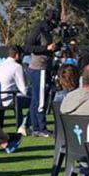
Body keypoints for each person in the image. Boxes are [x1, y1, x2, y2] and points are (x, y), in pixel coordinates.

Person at [24, 8, 60, 137]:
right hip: (39, 68)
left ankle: (34, 127)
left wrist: (56, 46)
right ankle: (41, 128)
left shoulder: (47, 31)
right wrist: (46, 48)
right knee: (40, 100)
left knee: (36, 99)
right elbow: (27, 47)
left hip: (44, 67)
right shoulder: (39, 29)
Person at [0, 45, 29, 134]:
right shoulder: (17, 66)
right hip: (7, 99)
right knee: (34, 101)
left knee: (18, 97)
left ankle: (18, 124)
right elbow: (24, 90)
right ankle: (23, 125)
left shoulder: (0, 64)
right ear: (17, 55)